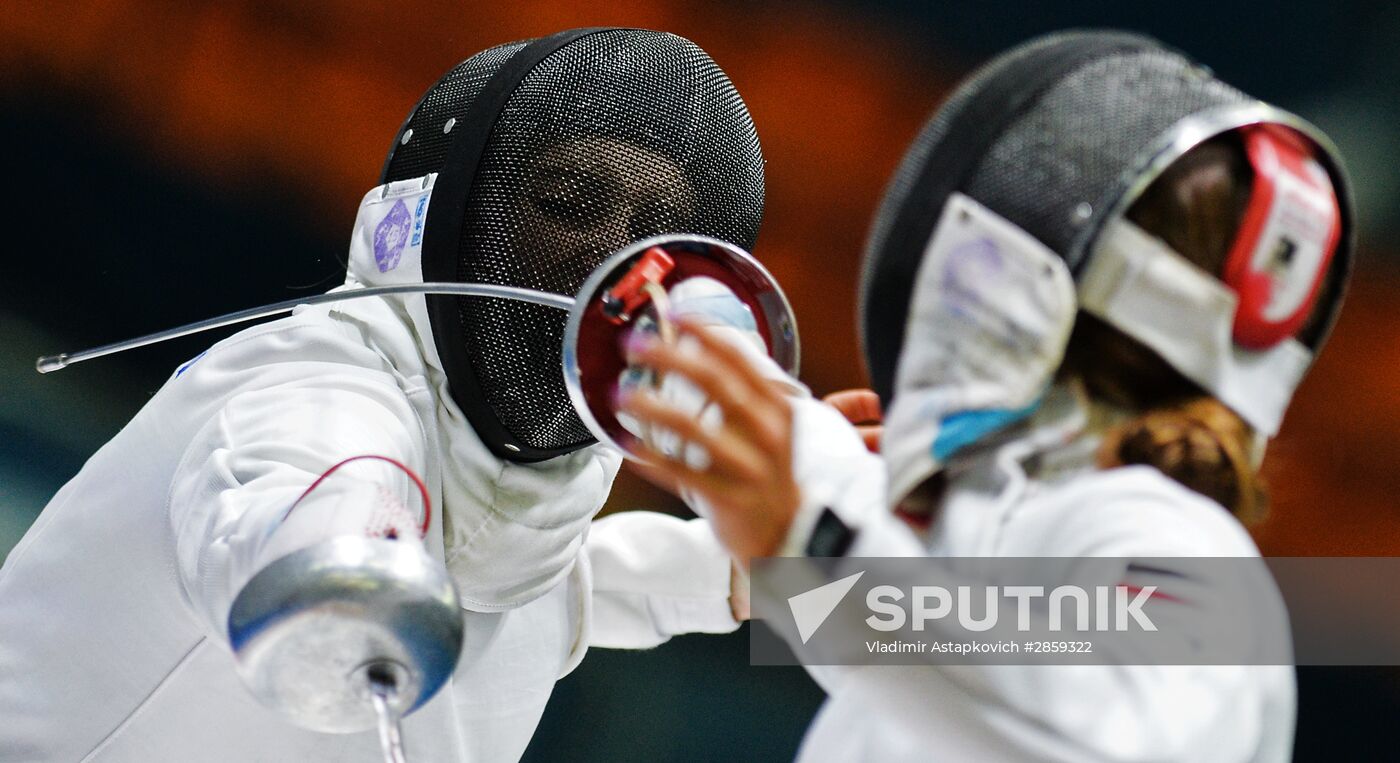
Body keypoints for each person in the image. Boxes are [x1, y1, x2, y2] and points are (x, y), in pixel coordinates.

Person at [0, 28, 761, 762]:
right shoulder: (316, 387)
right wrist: (336, 552)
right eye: (567, 200)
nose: (613, 258)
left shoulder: (523, 533)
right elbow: (305, 490)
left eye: (657, 233)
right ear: (459, 211)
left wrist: (847, 541)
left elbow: (655, 580)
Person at [620, 30, 1352, 761]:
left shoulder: (1175, 544)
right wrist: (701, 352)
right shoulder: (990, 543)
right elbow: (897, 604)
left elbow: (1081, 734)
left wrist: (812, 541)